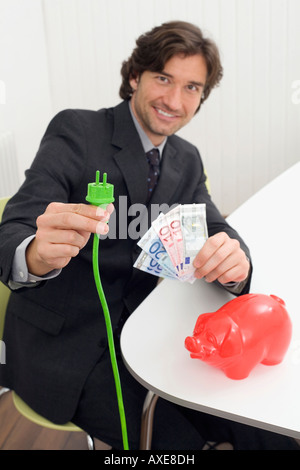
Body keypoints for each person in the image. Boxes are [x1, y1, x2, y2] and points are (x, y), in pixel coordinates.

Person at [0, 21, 298, 450]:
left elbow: (215, 228)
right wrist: (35, 255)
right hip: (70, 347)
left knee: (267, 431)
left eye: (192, 87)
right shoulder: (77, 132)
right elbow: (14, 230)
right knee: (179, 447)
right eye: (163, 78)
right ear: (135, 76)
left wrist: (235, 263)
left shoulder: (186, 159)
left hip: (147, 334)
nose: (175, 101)